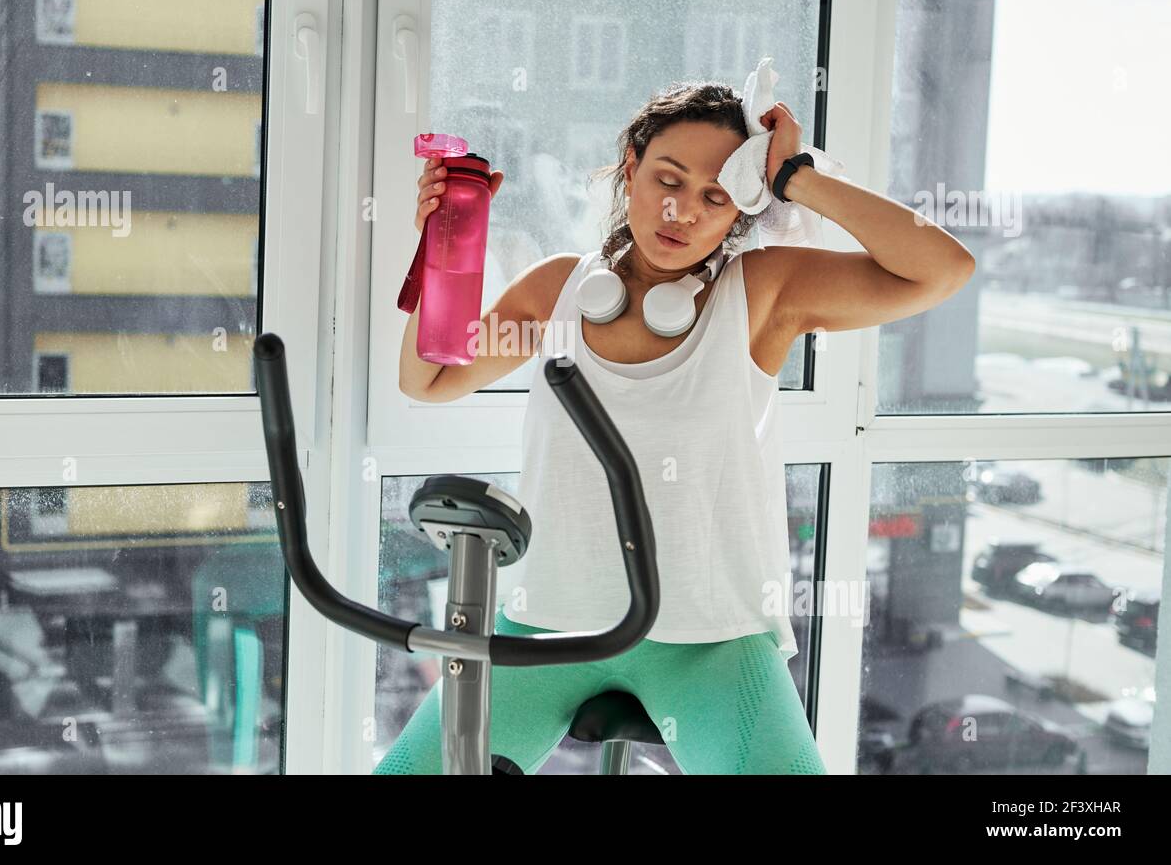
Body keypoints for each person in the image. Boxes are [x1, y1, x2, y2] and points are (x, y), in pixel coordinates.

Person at [385, 82, 976, 774]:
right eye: (668, 179)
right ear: (629, 169)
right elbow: (427, 378)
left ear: (739, 212)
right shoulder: (557, 292)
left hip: (712, 640)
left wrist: (798, 178)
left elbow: (944, 269)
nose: (683, 211)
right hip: (547, 624)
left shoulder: (763, 294)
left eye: (716, 195)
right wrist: (440, 248)